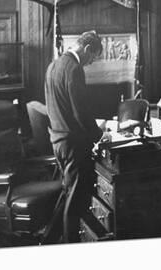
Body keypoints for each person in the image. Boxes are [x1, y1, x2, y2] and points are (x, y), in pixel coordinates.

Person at [45, 31, 110, 242]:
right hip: (73, 145)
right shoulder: (74, 69)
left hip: (58, 141)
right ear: (88, 49)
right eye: (93, 58)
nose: (90, 63)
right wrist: (100, 136)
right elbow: (80, 113)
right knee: (75, 201)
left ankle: (47, 240)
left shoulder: (53, 65)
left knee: (67, 193)